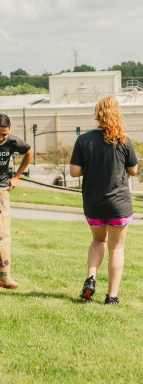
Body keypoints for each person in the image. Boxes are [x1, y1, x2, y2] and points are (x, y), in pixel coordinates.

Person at [70, 96, 138, 305]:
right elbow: (133, 171)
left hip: (93, 203)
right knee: (116, 247)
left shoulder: (83, 140)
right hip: (118, 204)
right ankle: (112, 297)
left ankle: (90, 278)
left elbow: (74, 172)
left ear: (97, 115)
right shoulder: (124, 140)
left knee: (98, 240)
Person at [0, 113, 33, 289]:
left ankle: (4, 276)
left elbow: (29, 152)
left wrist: (16, 177)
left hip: (1, 189)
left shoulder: (12, 142)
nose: (1, 138)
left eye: (5, 134)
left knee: (1, 234)